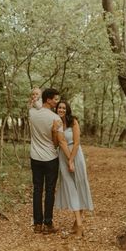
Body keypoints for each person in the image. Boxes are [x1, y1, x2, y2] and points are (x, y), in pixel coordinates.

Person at [29, 88, 74, 235]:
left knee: (37, 190)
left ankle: (37, 224)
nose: (57, 102)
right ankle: (48, 223)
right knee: (49, 191)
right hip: (50, 159)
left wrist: (34, 100)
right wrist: (71, 159)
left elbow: (33, 104)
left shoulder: (32, 112)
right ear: (48, 100)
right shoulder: (56, 119)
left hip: (35, 157)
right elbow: (58, 143)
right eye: (55, 99)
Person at [53, 100, 94, 237]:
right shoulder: (56, 122)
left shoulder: (73, 121)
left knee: (80, 186)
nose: (61, 110)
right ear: (56, 109)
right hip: (63, 156)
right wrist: (68, 160)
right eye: (59, 107)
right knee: (71, 188)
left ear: (67, 109)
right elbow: (61, 142)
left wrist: (72, 160)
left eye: (64, 108)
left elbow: (76, 143)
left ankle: (78, 225)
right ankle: (79, 224)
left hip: (76, 156)